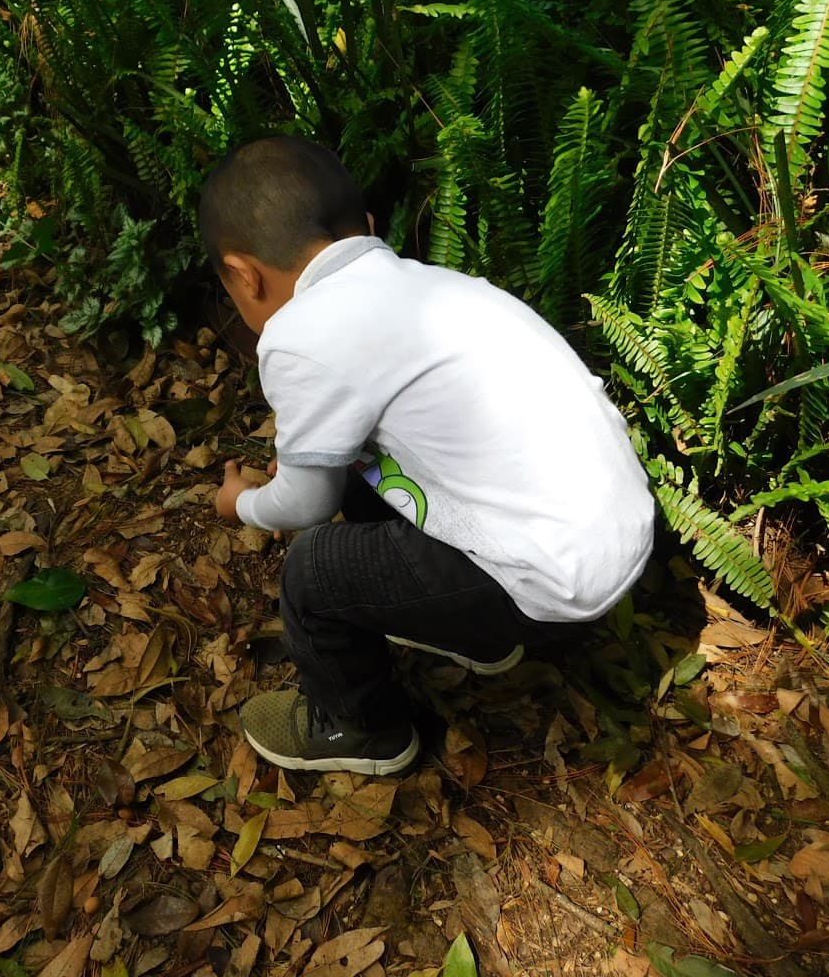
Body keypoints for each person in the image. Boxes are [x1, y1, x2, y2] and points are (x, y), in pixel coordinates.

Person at [204, 137, 656, 775]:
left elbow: (305, 504)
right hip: (613, 532)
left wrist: (243, 502)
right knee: (362, 464)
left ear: (245, 275)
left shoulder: (297, 334)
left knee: (311, 573)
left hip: (546, 578)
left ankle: (357, 728)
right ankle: (478, 637)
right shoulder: (431, 287)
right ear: (363, 230)